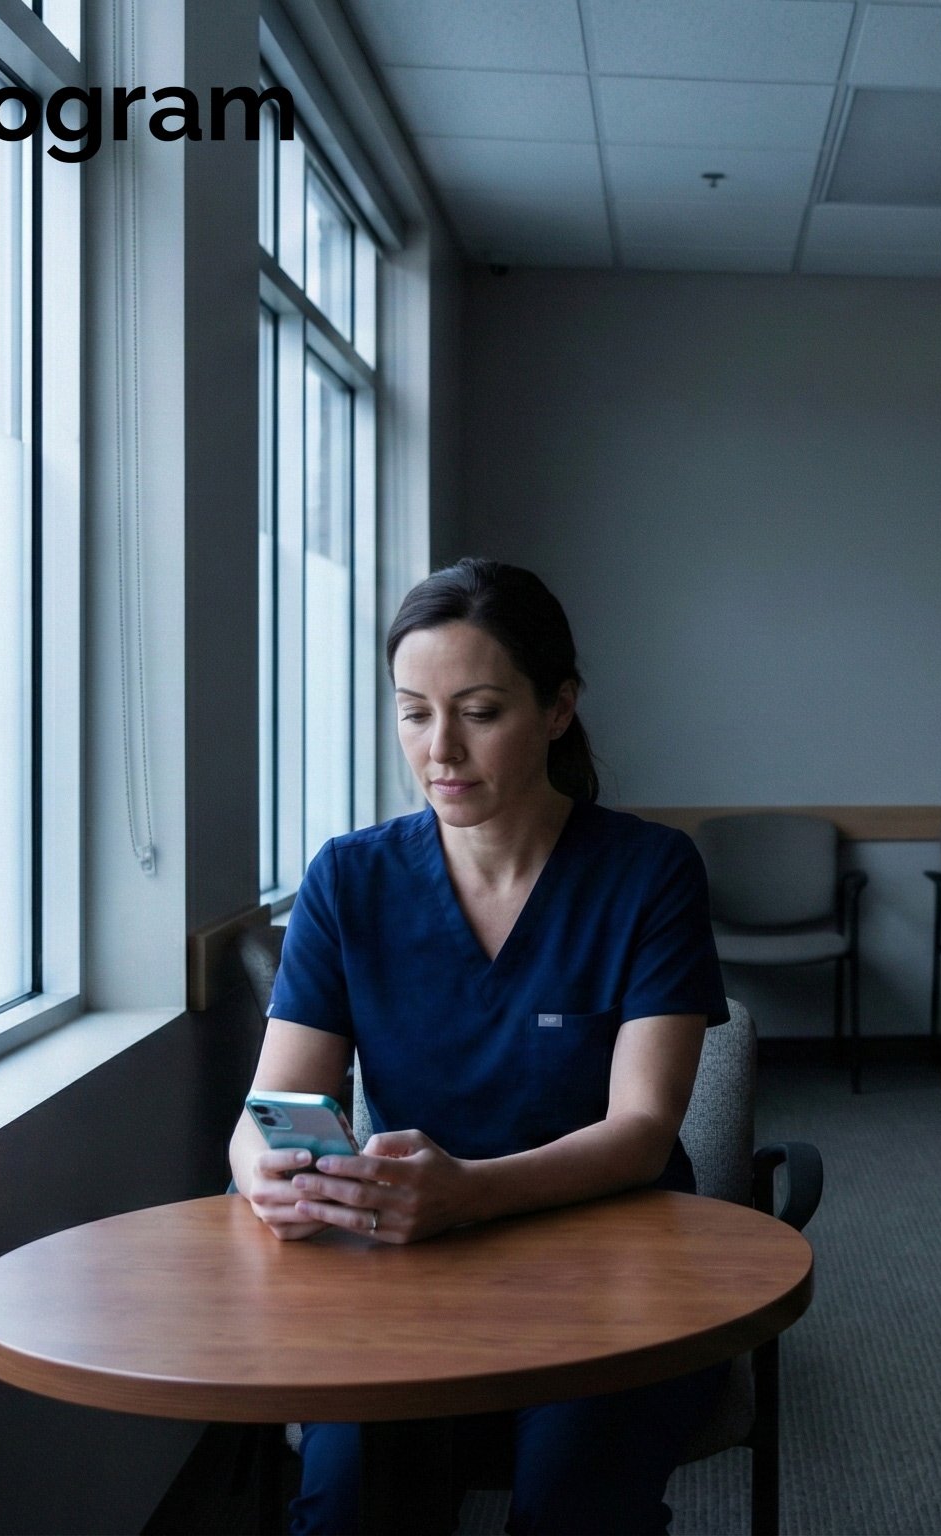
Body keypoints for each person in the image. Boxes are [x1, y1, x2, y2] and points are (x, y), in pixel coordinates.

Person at [232, 558, 728, 1536]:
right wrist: (271, 1172)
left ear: (557, 709)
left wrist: (467, 1192)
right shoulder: (349, 881)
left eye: (480, 711)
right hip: (418, 1269)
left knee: (572, 1507)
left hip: (616, 1261)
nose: (440, 750)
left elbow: (639, 1132)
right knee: (350, 1503)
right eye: (414, 713)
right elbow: (274, 1107)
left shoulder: (647, 873)